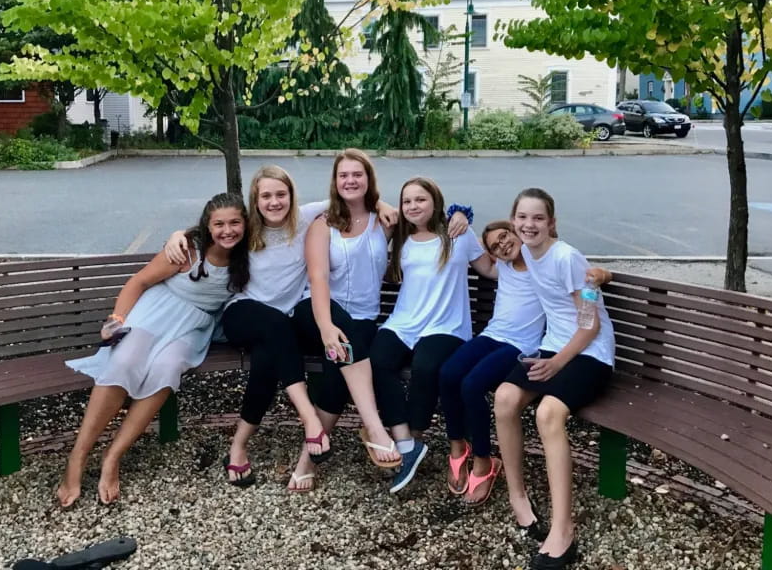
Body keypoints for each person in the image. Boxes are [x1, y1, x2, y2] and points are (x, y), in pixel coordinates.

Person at [164, 166, 396, 491]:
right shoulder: (246, 226)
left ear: (292, 195)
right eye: (266, 196)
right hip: (243, 314)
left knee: (288, 351)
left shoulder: (306, 218)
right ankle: (310, 419)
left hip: (283, 323)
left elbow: (352, 198)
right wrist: (179, 235)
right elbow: (211, 229)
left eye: (281, 194)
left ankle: (241, 445)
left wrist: (382, 206)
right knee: (276, 326)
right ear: (255, 200)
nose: (274, 202)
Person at [292, 150, 470, 491]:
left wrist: (460, 212)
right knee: (349, 346)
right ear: (335, 181)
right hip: (316, 312)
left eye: (357, 174)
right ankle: (382, 432)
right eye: (343, 175)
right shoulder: (323, 224)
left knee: (339, 370)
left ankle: (307, 461)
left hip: (363, 319)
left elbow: (425, 216)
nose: (350, 181)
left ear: (368, 180)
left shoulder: (385, 221)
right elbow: (318, 281)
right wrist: (327, 328)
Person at [58, 192, 250, 506]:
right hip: (154, 314)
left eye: (234, 223)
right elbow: (138, 282)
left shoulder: (248, 258)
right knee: (123, 363)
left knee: (166, 368)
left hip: (191, 329)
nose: (227, 231)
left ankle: (113, 456)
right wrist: (117, 319)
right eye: (219, 224)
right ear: (207, 226)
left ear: (246, 225)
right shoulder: (186, 251)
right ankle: (77, 457)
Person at [493, 188, 615, 570]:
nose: (529, 225)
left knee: (548, 414)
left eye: (538, 218)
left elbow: (590, 323)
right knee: (505, 398)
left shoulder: (565, 258)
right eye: (522, 217)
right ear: (513, 220)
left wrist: (558, 363)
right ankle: (518, 497)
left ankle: (563, 530)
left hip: (589, 353)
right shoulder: (525, 250)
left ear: (552, 223)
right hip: (554, 346)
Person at [369, 177, 494, 493]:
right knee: (379, 359)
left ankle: (417, 436)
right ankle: (405, 442)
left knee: (426, 367)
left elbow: (490, 270)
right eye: (407, 201)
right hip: (405, 322)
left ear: (435, 201)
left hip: (445, 326)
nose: (412, 206)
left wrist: (530, 266)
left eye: (420, 199)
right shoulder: (400, 240)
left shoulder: (458, 235)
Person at [438, 220, 544, 505]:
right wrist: (462, 217)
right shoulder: (503, 269)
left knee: (472, 385)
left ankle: (485, 461)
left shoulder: (542, 266)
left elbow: (577, 271)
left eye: (505, 236)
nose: (503, 244)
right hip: (493, 335)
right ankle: (458, 445)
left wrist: (601, 275)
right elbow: (477, 257)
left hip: (521, 346)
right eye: (495, 245)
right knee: (448, 373)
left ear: (516, 232)